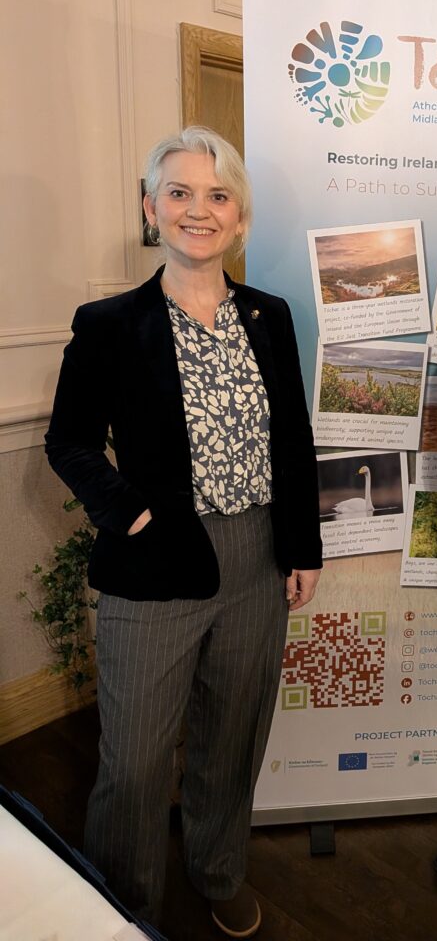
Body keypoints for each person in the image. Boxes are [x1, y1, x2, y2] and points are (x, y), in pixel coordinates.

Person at [46, 127, 322, 938]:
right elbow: (69, 440)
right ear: (149, 208)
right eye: (179, 193)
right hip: (152, 561)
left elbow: (292, 441)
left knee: (231, 739)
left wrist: (300, 545)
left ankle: (217, 868)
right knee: (132, 764)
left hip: (256, 557)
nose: (198, 210)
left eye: (217, 195)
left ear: (239, 218)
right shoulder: (109, 323)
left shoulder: (270, 319)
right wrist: (128, 511)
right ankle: (122, 904)